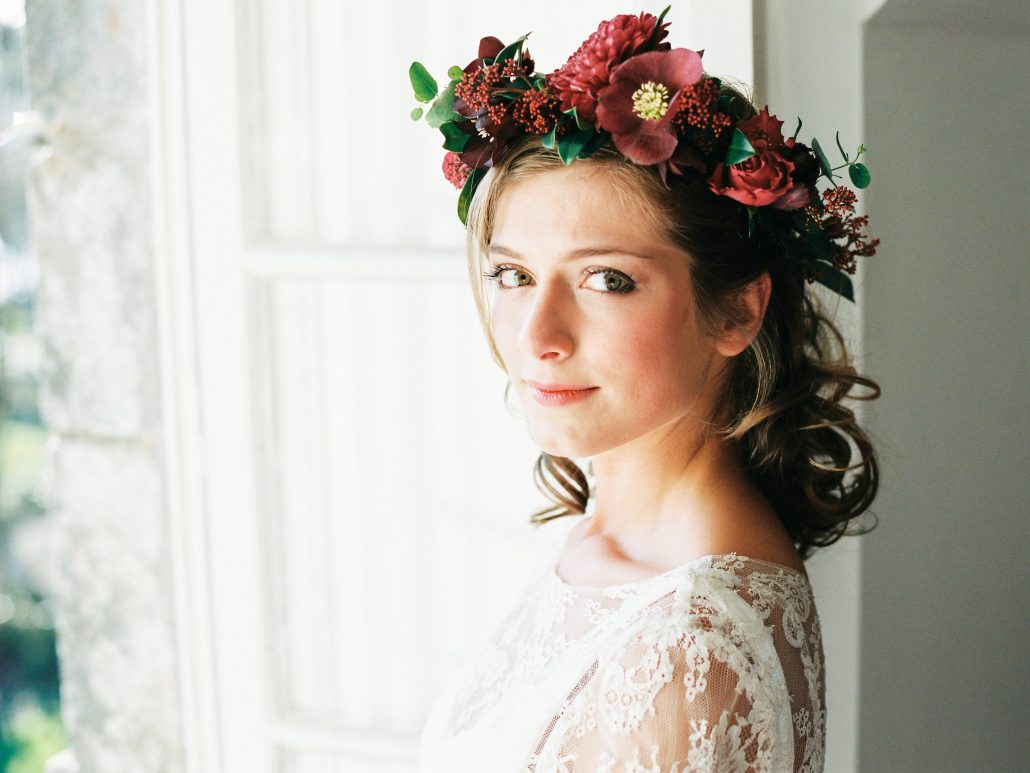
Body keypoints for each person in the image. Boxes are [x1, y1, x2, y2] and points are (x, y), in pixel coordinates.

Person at [410, 7, 880, 771]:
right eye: (514, 275)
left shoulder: (687, 650)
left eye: (607, 279)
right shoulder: (614, 539)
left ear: (736, 310)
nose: (537, 336)